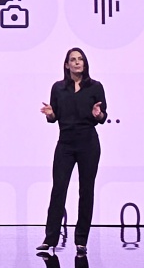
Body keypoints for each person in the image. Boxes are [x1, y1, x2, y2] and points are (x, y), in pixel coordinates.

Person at [36, 47, 107, 255]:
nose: (77, 62)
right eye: (73, 59)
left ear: (84, 63)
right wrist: (50, 114)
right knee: (59, 189)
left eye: (80, 59)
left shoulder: (95, 86)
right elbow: (54, 118)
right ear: (67, 65)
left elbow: (103, 117)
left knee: (86, 190)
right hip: (65, 144)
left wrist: (98, 114)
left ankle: (81, 240)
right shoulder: (58, 88)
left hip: (88, 143)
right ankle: (50, 239)